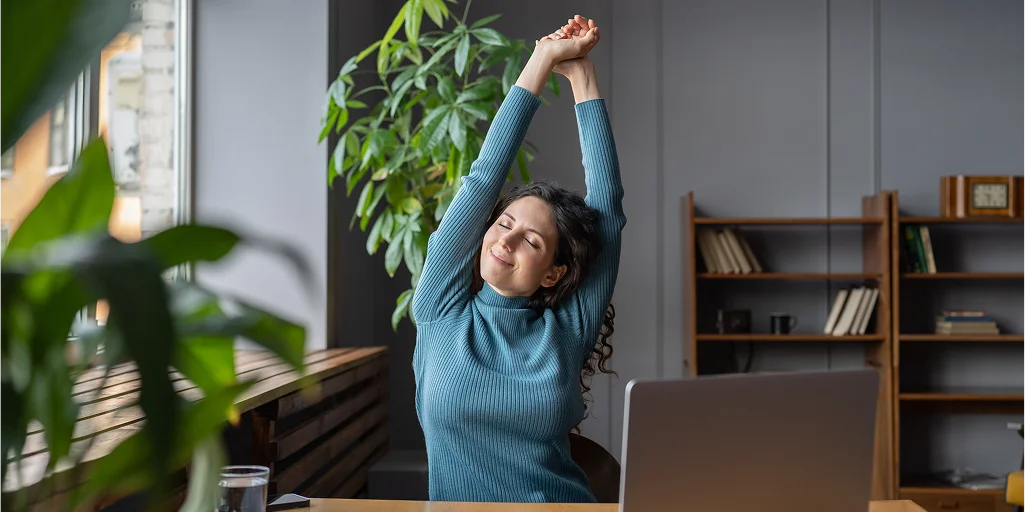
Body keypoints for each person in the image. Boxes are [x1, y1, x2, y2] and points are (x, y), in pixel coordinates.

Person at [410, 14, 626, 503]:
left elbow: (607, 212)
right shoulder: (441, 308)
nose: (505, 242)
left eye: (532, 241)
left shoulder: (566, 331)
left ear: (554, 271)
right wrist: (542, 59)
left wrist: (583, 78)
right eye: (504, 224)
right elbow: (485, 178)